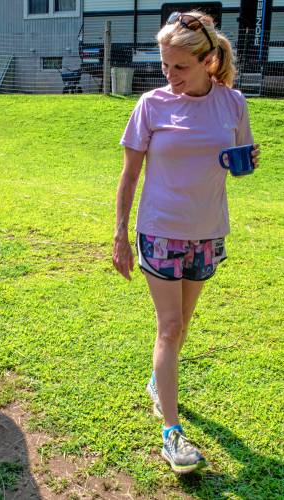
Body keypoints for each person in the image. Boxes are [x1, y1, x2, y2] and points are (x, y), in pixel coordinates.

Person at [113, 11, 261, 474]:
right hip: (159, 230)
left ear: (209, 61)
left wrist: (248, 161)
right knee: (170, 327)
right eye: (164, 65)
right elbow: (130, 174)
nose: (169, 75)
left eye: (179, 67)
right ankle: (171, 434)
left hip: (208, 231)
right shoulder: (151, 105)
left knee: (182, 327)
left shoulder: (234, 104)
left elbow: (239, 162)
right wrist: (120, 232)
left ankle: (160, 382)